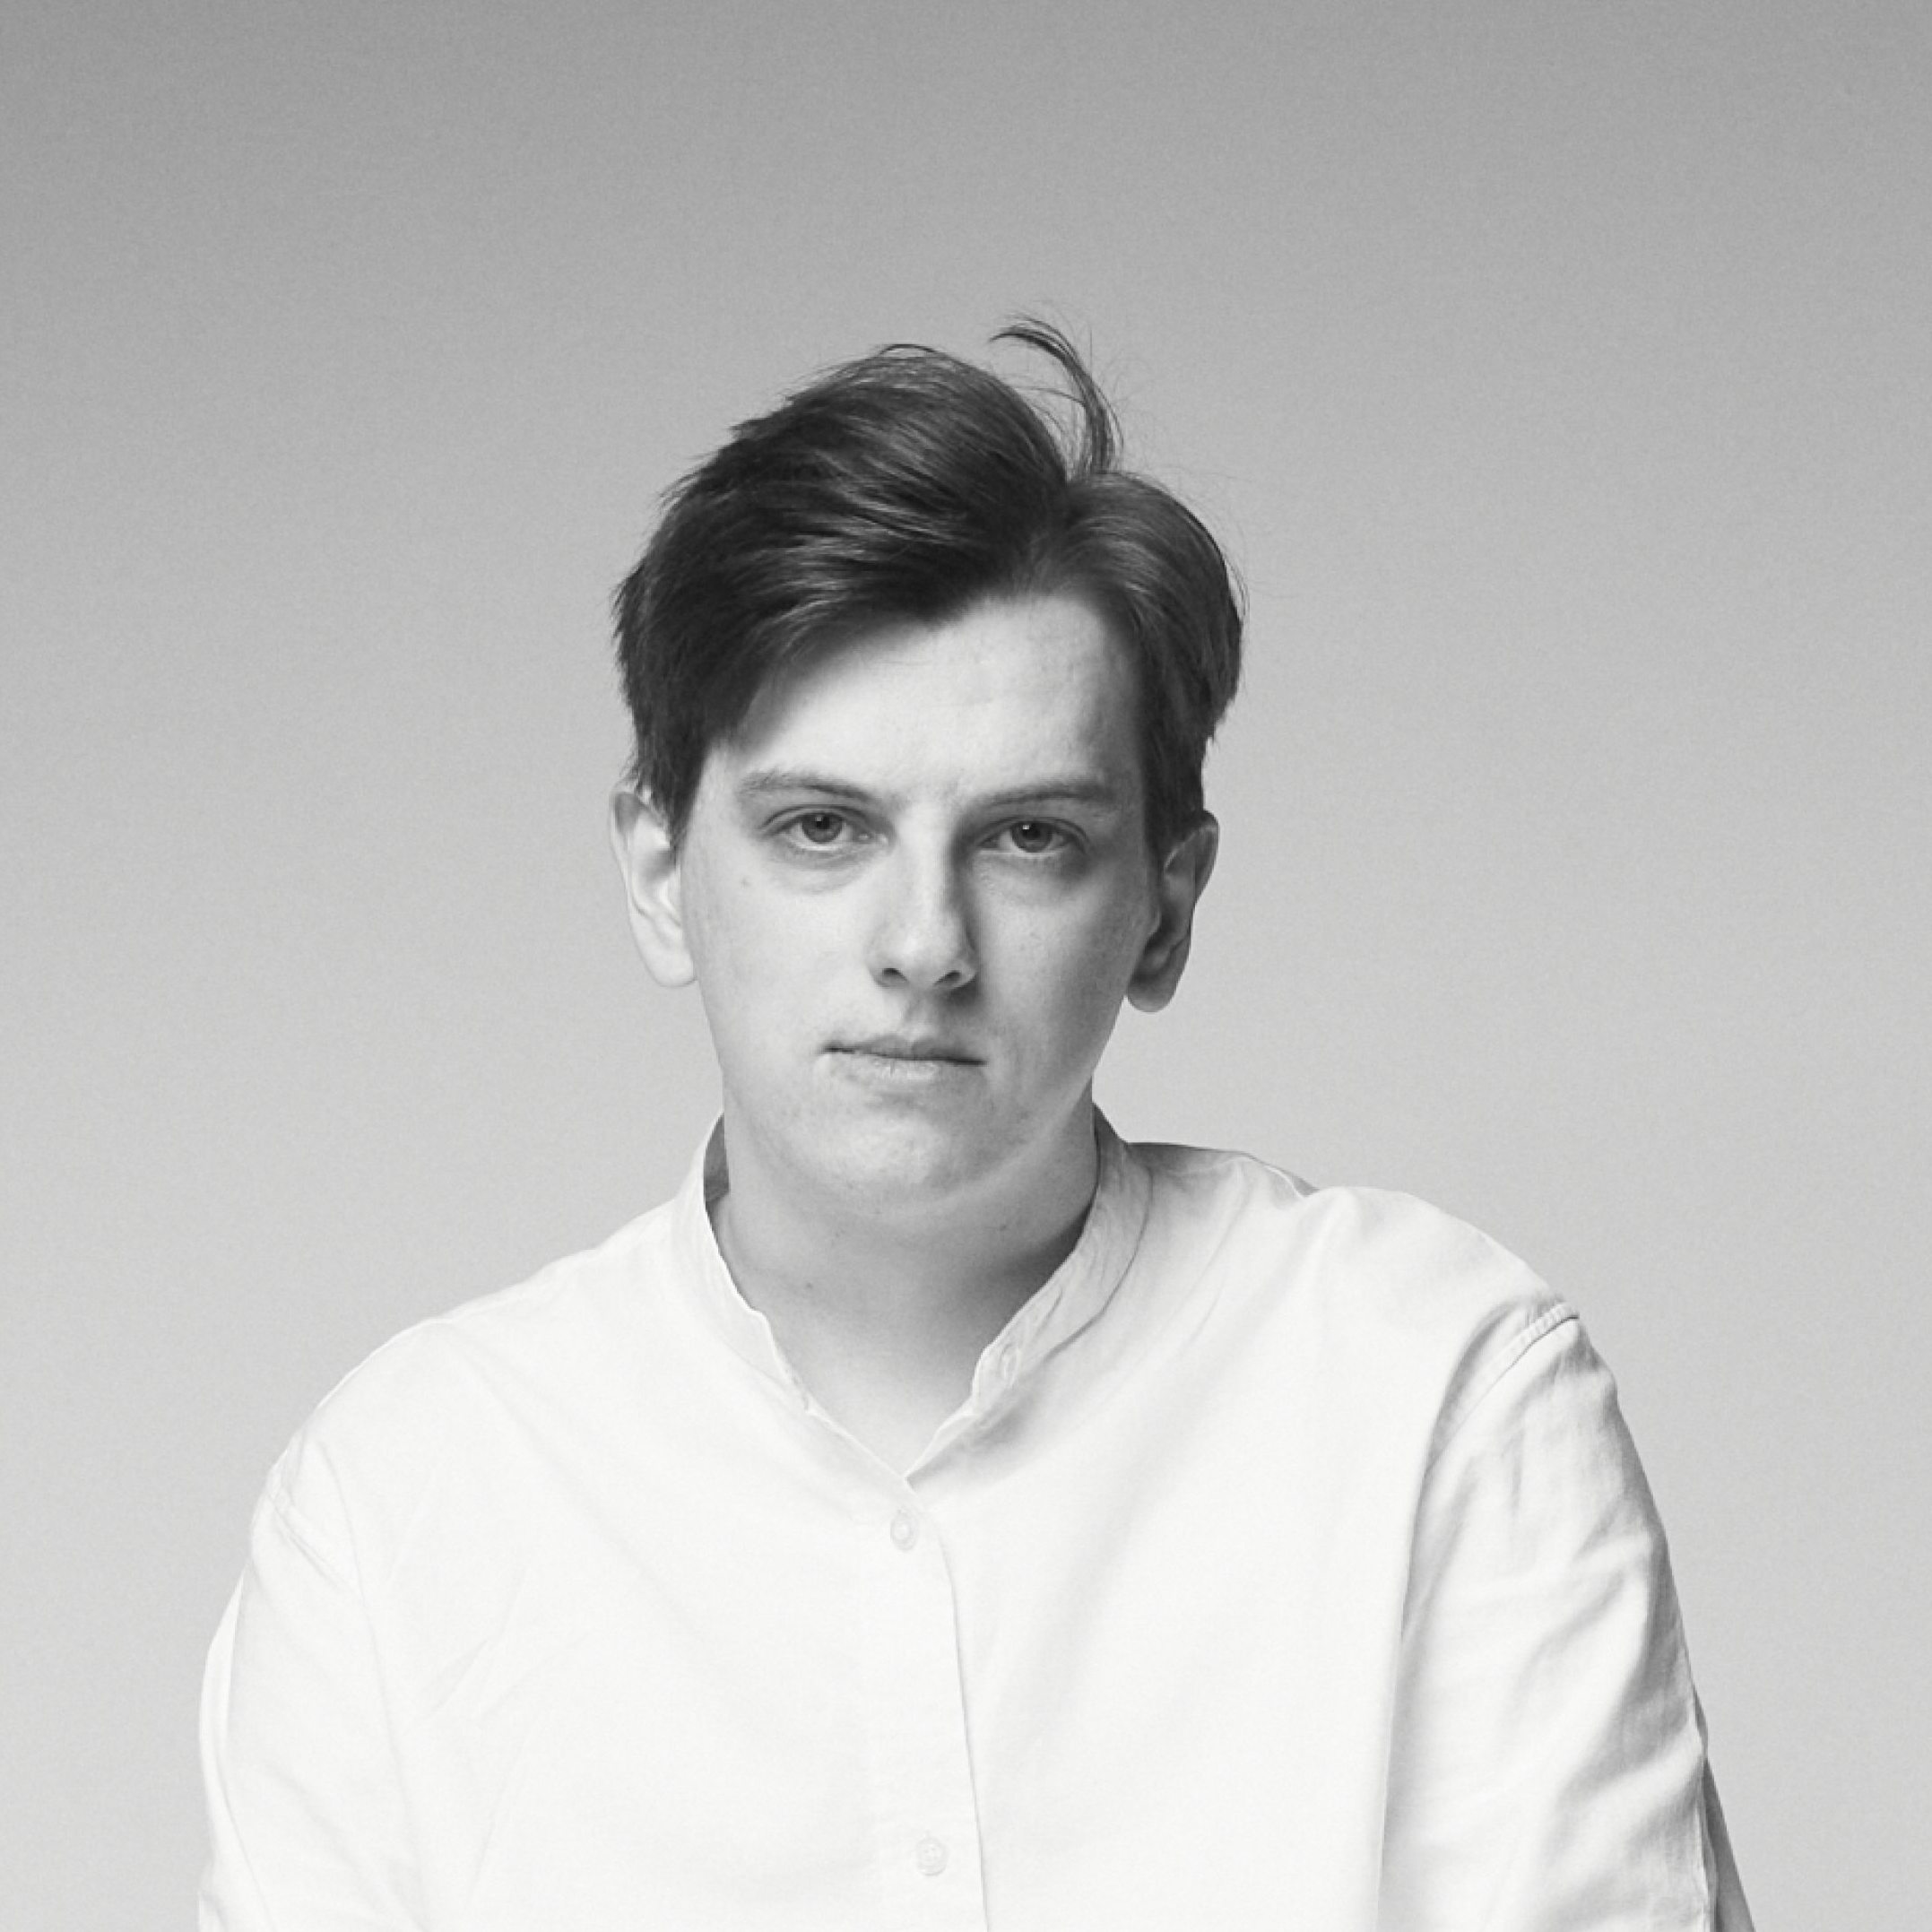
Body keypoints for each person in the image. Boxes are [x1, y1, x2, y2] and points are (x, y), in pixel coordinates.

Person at [199, 323, 1754, 1929]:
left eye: (1027, 837)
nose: (924, 945)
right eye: (823, 828)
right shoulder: (401, 1498)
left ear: (1165, 910)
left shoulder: (1439, 1393)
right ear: (660, 874)